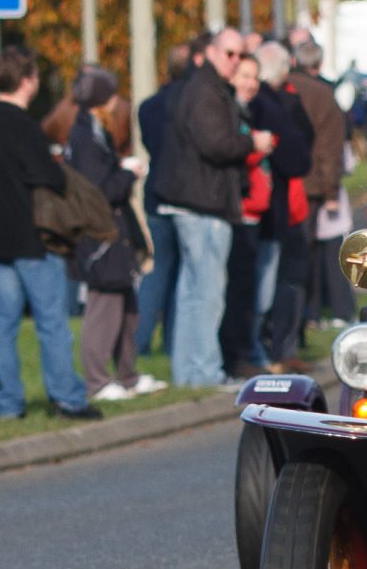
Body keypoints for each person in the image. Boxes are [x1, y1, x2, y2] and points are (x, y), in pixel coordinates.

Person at [0, 45, 99, 420]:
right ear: (28, 80)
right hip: (30, 236)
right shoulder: (23, 125)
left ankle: (8, 403)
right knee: (51, 321)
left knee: (4, 324)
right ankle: (66, 398)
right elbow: (46, 175)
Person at [152, 28, 266, 387]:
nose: (235, 61)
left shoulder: (205, 88)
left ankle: (189, 374)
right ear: (212, 53)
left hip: (197, 201)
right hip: (204, 204)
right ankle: (204, 371)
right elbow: (215, 143)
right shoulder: (206, 90)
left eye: (239, 55)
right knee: (206, 294)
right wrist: (252, 142)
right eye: (229, 54)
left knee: (192, 293)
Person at [63, 67, 160, 401]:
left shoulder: (93, 132)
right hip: (101, 236)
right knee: (103, 305)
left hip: (115, 232)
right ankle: (97, 380)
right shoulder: (85, 138)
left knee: (127, 306)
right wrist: (127, 174)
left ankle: (127, 374)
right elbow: (100, 192)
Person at [247, 42, 315, 370]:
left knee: (269, 277)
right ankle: (268, 348)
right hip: (270, 205)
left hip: (270, 203)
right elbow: (297, 154)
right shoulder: (272, 103)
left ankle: (269, 348)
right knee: (269, 279)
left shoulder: (273, 101)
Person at [282, 35, 353, 337]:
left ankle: (303, 316)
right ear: (320, 63)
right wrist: (331, 190)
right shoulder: (323, 95)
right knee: (307, 251)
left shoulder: (285, 87)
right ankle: (306, 315)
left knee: (293, 252)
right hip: (311, 183)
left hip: (284, 180)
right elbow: (330, 147)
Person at [132, 43, 193, 361]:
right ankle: (169, 340)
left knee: (159, 269)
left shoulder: (148, 106)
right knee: (178, 273)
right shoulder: (189, 103)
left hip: (156, 193)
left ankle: (141, 340)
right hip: (183, 194)